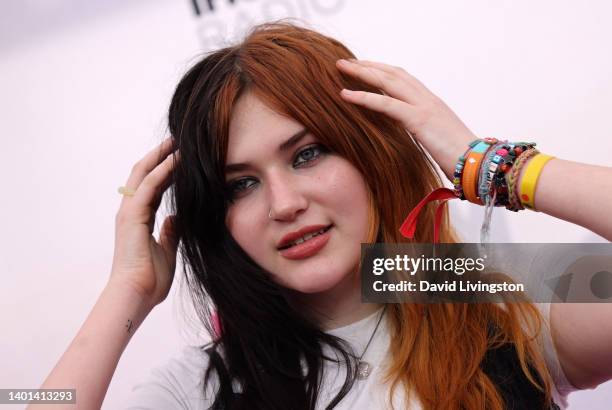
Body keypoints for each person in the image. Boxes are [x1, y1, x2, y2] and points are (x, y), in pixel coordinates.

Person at [32, 21, 612, 410]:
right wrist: (125, 293)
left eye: (307, 154)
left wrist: (489, 165)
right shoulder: (201, 386)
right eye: (241, 186)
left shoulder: (482, 289)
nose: (284, 203)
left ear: (368, 152)